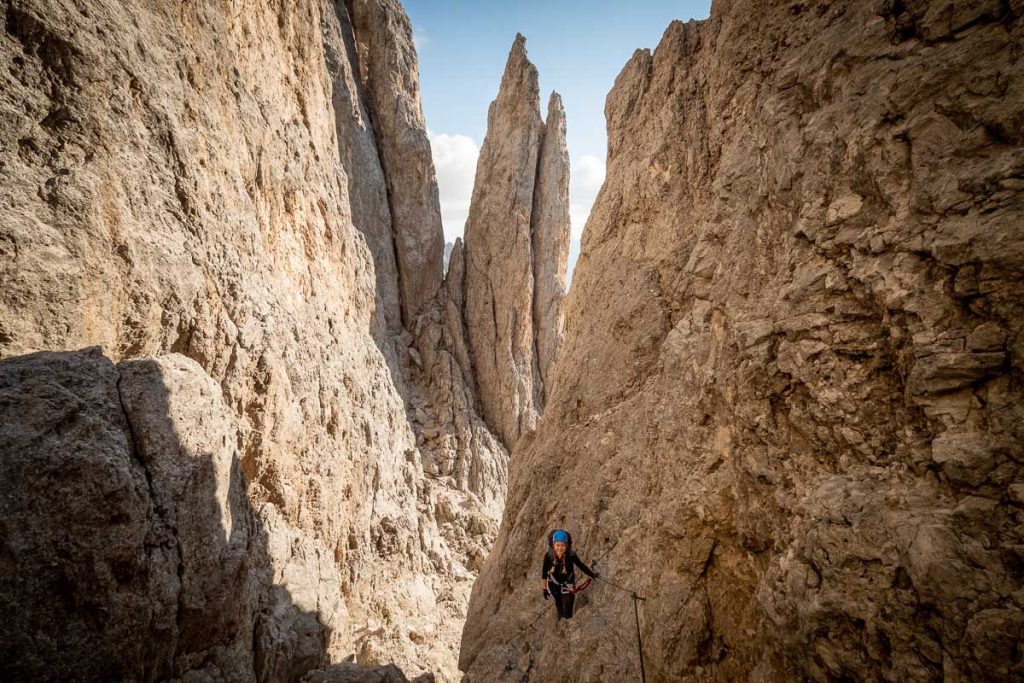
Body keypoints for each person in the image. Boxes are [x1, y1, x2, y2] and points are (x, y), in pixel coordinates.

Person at [540, 529, 597, 619]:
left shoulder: (571, 555)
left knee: (567, 611)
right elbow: (544, 573)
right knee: (559, 604)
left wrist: (592, 574)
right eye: (557, 545)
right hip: (554, 586)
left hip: (568, 585)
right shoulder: (548, 556)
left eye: (563, 545)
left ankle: (567, 622)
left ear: (566, 545)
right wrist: (544, 589)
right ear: (553, 545)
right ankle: (561, 620)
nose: (560, 548)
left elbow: (581, 566)